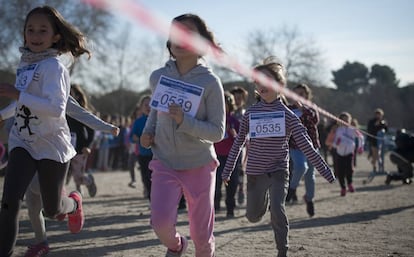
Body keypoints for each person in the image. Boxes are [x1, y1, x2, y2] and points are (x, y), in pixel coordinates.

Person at [0, 6, 91, 257]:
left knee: (53, 210)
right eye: (30, 29)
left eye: (43, 30)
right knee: (8, 203)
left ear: (55, 37)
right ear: (24, 34)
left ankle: (73, 203)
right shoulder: (25, 64)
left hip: (51, 144)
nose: (35, 35)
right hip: (23, 141)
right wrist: (2, 114)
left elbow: (55, 109)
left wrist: (18, 93)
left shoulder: (55, 67)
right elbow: (22, 103)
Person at [221, 58, 335, 257]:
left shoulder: (289, 115)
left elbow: (306, 145)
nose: (262, 85)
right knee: (253, 216)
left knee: (278, 209)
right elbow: (238, 142)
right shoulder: (250, 114)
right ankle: (262, 202)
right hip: (255, 173)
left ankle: (282, 251)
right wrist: (228, 169)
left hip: (278, 170)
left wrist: (325, 170)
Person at [140, 13, 225, 257]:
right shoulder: (158, 77)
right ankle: (177, 246)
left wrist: (184, 122)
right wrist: (147, 134)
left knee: (201, 235)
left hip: (199, 164)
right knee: (160, 224)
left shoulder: (211, 82)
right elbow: (155, 115)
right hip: (164, 161)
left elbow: (217, 132)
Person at [22, 96, 119, 257]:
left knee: (75, 180)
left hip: (61, 150)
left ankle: (73, 201)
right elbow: (13, 112)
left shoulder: (57, 92)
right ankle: (41, 242)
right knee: (32, 203)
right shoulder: (23, 87)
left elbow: (85, 117)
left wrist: (106, 128)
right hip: (29, 148)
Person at [286, 83, 320, 217]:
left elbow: (315, 120)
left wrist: (303, 108)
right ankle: (292, 189)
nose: (298, 96)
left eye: (301, 93)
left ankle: (309, 199)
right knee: (300, 167)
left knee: (310, 175)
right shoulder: (288, 108)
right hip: (295, 145)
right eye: (296, 93)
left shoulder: (312, 107)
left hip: (311, 145)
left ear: (306, 95)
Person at [66, 84, 97, 197]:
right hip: (65, 146)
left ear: (78, 97)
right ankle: (77, 191)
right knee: (65, 173)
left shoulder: (83, 112)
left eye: (70, 93)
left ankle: (88, 181)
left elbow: (91, 131)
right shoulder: (61, 110)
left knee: (78, 175)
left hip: (80, 147)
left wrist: (88, 145)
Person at [214, 91, 239, 218]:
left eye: (225, 103)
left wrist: (233, 134)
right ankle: (215, 205)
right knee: (216, 182)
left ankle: (230, 208)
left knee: (232, 183)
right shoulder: (213, 120)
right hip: (216, 155)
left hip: (232, 156)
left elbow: (242, 140)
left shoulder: (235, 120)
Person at [332, 112, 364, 196]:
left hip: (349, 153)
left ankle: (350, 184)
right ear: (340, 120)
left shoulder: (353, 129)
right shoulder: (338, 130)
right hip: (339, 153)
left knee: (349, 169)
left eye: (347, 119)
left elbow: (361, 137)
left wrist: (360, 147)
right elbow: (334, 143)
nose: (345, 121)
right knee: (340, 172)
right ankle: (343, 188)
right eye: (343, 119)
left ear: (349, 120)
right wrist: (337, 144)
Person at [130, 95, 153, 200]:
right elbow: (131, 137)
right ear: (141, 107)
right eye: (145, 105)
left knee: (158, 179)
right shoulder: (138, 122)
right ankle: (151, 200)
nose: (148, 107)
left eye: (151, 104)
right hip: (143, 155)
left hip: (158, 155)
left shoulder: (161, 120)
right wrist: (134, 138)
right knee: (146, 178)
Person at [230, 86, 249, 205]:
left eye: (239, 98)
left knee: (241, 169)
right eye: (235, 98)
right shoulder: (229, 114)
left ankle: (241, 189)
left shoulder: (245, 114)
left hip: (243, 145)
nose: (237, 100)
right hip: (228, 146)